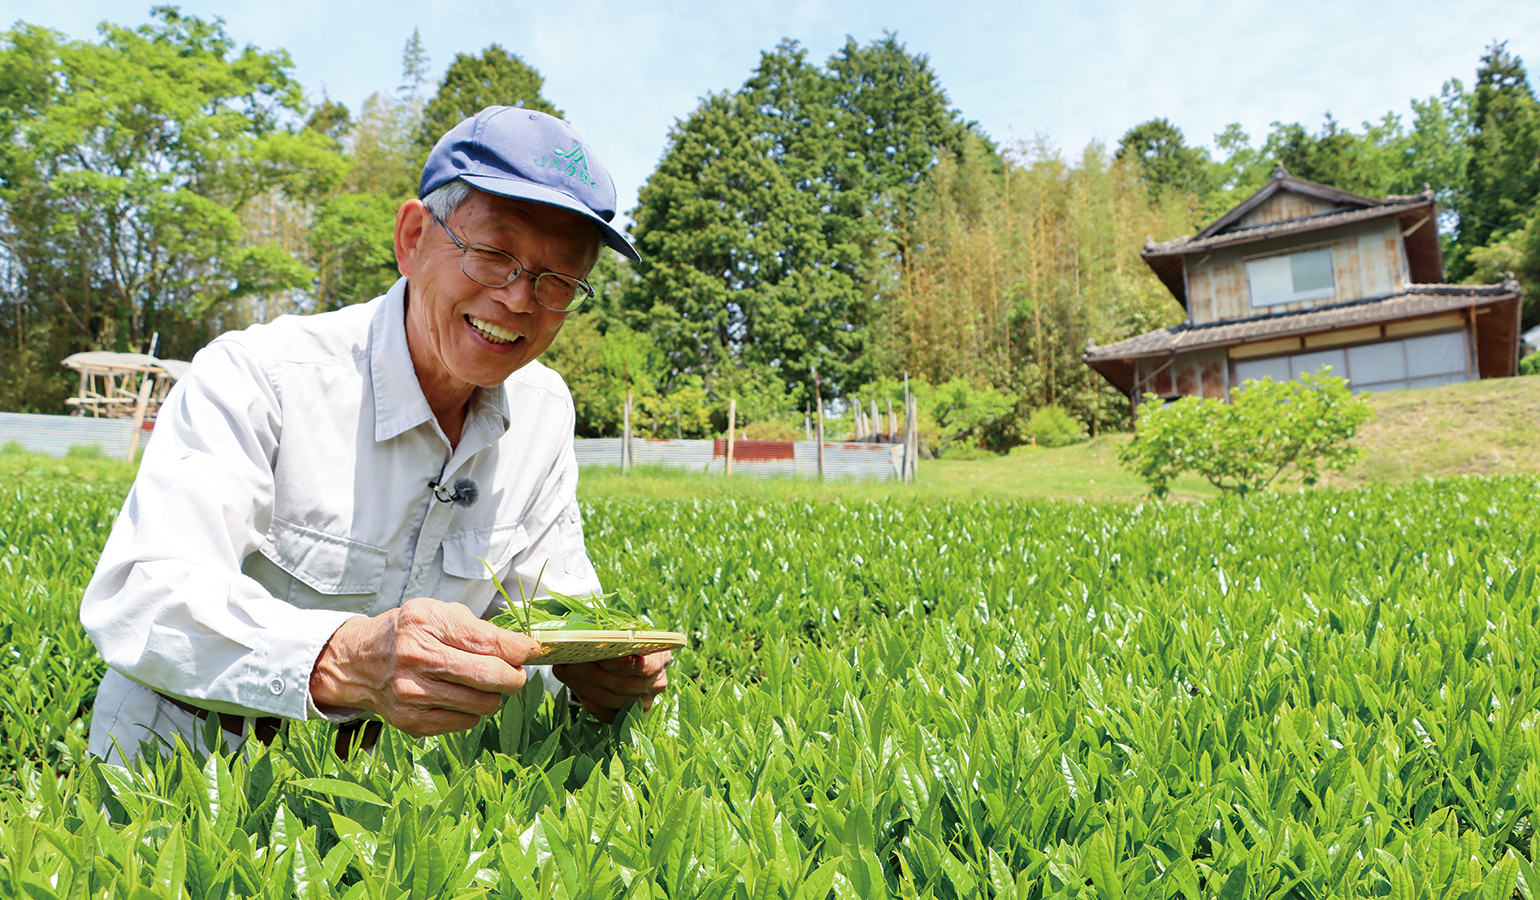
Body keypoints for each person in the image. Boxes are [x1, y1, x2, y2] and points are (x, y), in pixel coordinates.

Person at [81, 106, 670, 766]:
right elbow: (144, 594)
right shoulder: (260, 376)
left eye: (557, 278)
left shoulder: (544, 409)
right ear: (413, 237)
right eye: (492, 254)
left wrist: (597, 665)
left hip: (393, 806)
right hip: (185, 781)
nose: (519, 298)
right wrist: (343, 658)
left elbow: (553, 597)